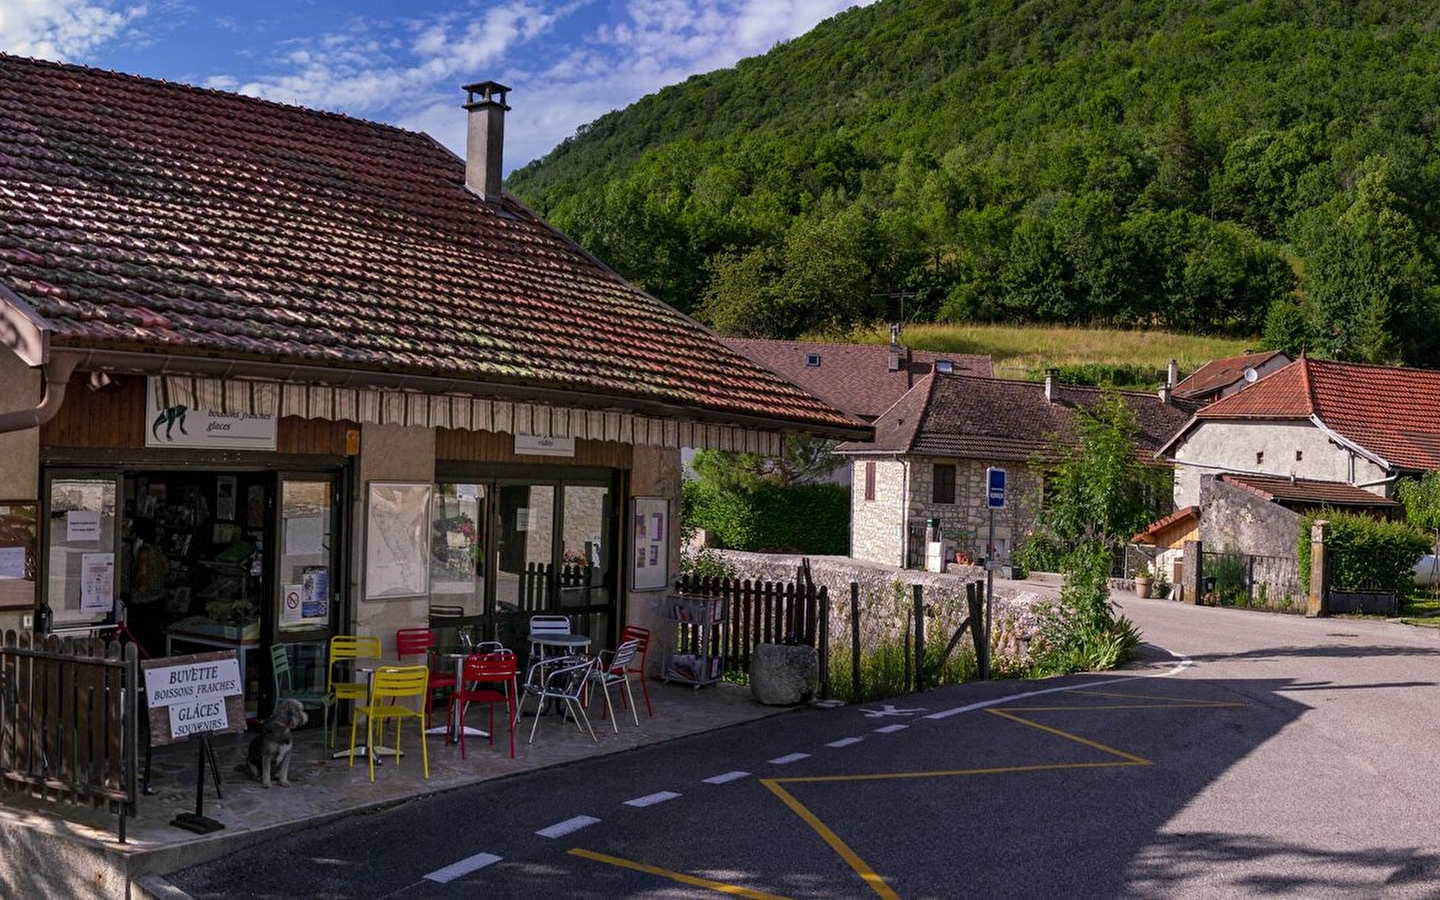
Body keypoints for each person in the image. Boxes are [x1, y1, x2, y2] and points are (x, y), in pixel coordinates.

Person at [127, 520, 169, 655]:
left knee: (142, 637)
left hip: (144, 602)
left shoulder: (143, 552)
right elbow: (166, 569)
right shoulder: (158, 550)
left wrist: (137, 585)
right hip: (158, 598)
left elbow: (142, 577)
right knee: (154, 635)